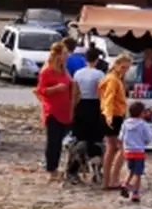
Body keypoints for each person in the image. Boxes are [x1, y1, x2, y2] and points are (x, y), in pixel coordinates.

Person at [36, 42, 75, 181]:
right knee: (53, 142)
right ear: (57, 55)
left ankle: (62, 167)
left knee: (64, 140)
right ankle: (52, 169)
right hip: (52, 110)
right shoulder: (47, 71)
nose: (67, 56)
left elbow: (71, 83)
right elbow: (40, 91)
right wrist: (56, 89)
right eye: (64, 53)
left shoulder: (64, 70)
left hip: (66, 110)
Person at [100, 53, 132, 190]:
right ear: (117, 65)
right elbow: (108, 98)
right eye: (123, 67)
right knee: (121, 149)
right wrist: (108, 116)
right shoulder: (112, 80)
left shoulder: (114, 78)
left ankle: (108, 180)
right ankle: (112, 179)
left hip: (114, 115)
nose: (125, 70)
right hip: (113, 115)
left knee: (112, 148)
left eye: (127, 68)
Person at [70, 47, 106, 165]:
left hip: (81, 104)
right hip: (94, 104)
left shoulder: (78, 73)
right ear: (96, 60)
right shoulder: (99, 74)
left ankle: (79, 160)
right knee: (94, 135)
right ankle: (94, 159)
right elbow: (100, 92)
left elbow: (75, 93)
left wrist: (73, 108)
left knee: (81, 135)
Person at [119, 101, 152, 203]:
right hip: (139, 151)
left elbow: (121, 137)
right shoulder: (143, 124)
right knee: (138, 174)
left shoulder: (125, 123)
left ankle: (125, 184)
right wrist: (144, 143)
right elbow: (148, 137)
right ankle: (135, 193)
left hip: (128, 151)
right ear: (141, 113)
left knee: (130, 170)